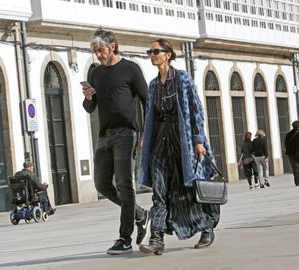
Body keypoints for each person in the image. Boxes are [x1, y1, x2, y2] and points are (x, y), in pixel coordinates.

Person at [138, 38, 220, 255]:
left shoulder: (182, 79)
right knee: (159, 192)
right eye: (150, 51)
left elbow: (196, 109)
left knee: (188, 189)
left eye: (156, 51)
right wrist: (145, 140)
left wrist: (199, 140)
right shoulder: (153, 85)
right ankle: (156, 238)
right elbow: (150, 117)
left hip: (182, 141)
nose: (152, 55)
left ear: (168, 54)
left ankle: (206, 228)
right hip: (160, 143)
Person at [82, 29, 149, 255]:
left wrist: (145, 133)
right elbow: (90, 108)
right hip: (104, 136)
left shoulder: (130, 69)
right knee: (101, 184)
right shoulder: (96, 74)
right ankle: (139, 213)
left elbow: (146, 100)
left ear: (112, 47)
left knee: (124, 184)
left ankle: (125, 238)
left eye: (100, 50)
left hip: (126, 133)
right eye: (95, 51)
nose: (98, 55)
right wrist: (89, 97)